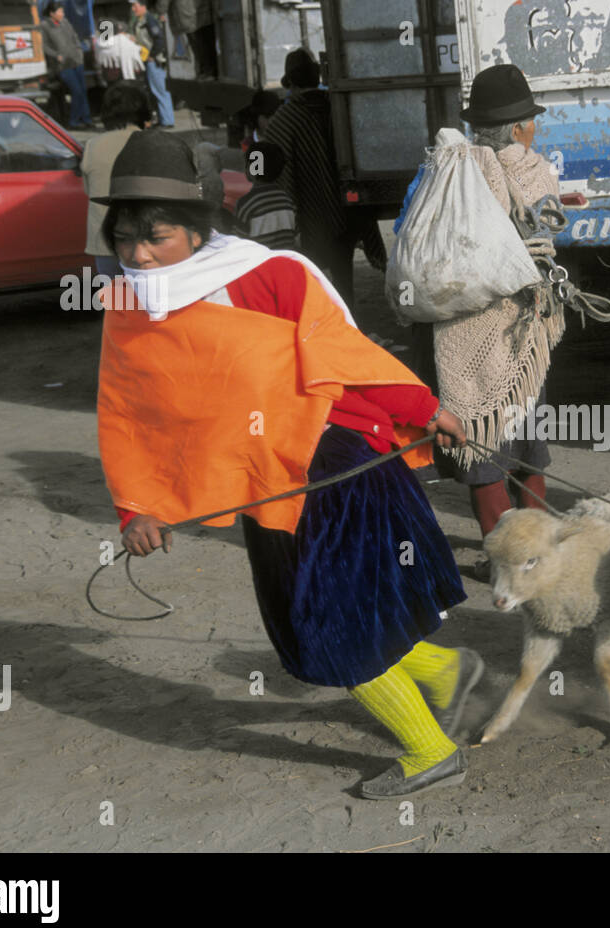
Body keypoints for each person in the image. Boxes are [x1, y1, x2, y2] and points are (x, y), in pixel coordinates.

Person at [94, 131, 483, 799]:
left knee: (333, 623)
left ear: (197, 228)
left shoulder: (271, 276)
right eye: (124, 236)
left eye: (154, 235)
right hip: (265, 487)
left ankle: (430, 750)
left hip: (336, 471)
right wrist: (138, 505)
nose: (136, 253)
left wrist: (423, 406)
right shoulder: (130, 309)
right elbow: (130, 415)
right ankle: (446, 673)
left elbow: (345, 355)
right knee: (308, 623)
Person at [400, 64, 560, 577]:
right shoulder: (536, 171)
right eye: (529, 121)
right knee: (525, 432)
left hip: (458, 327)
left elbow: (410, 234)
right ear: (518, 128)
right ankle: (538, 552)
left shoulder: (443, 172)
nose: (533, 129)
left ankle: (503, 559)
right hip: (520, 328)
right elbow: (553, 231)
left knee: (479, 439)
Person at [264, 49, 385, 319]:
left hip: (311, 216)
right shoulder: (339, 108)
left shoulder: (282, 121)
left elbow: (277, 173)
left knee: (312, 278)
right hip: (346, 209)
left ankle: (319, 330)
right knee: (343, 275)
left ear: (291, 83)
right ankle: (348, 321)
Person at [80, 84, 151, 276]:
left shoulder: (92, 146)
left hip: (104, 243)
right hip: (145, 242)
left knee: (117, 302)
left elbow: (89, 190)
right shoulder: (151, 143)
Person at [235, 140, 297, 250]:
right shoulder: (288, 200)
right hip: (284, 262)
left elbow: (239, 243)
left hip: (260, 264)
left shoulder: (247, 203)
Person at [40, 2, 91, 130]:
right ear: (52, 13)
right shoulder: (45, 26)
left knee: (83, 91)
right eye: (60, 12)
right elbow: (44, 45)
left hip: (75, 60)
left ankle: (86, 118)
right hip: (63, 65)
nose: (62, 14)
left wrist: (79, 51)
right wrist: (56, 55)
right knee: (76, 91)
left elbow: (74, 37)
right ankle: (73, 121)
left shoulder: (65, 22)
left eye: (62, 11)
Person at [129, 1, 175, 128]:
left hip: (155, 61)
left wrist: (152, 56)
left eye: (135, 6)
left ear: (143, 6)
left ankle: (167, 121)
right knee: (154, 91)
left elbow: (160, 39)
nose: (133, 9)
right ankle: (162, 119)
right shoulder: (140, 21)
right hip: (148, 61)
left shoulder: (149, 20)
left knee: (160, 90)